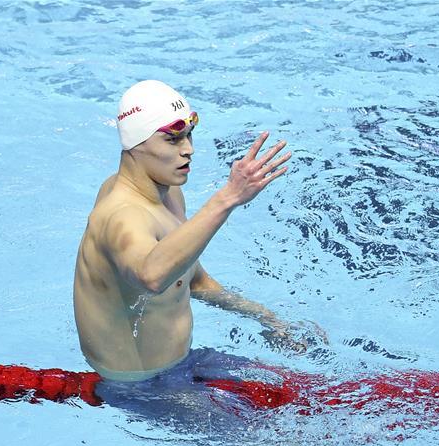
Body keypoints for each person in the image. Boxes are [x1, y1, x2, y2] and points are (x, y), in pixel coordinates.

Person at [73, 80, 309, 382]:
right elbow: (152, 276)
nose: (189, 150)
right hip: (142, 387)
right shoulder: (122, 216)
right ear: (135, 144)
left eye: (189, 135)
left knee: (296, 386)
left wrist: (265, 318)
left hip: (183, 366)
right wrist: (227, 199)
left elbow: (190, 278)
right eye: (173, 140)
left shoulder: (168, 195)